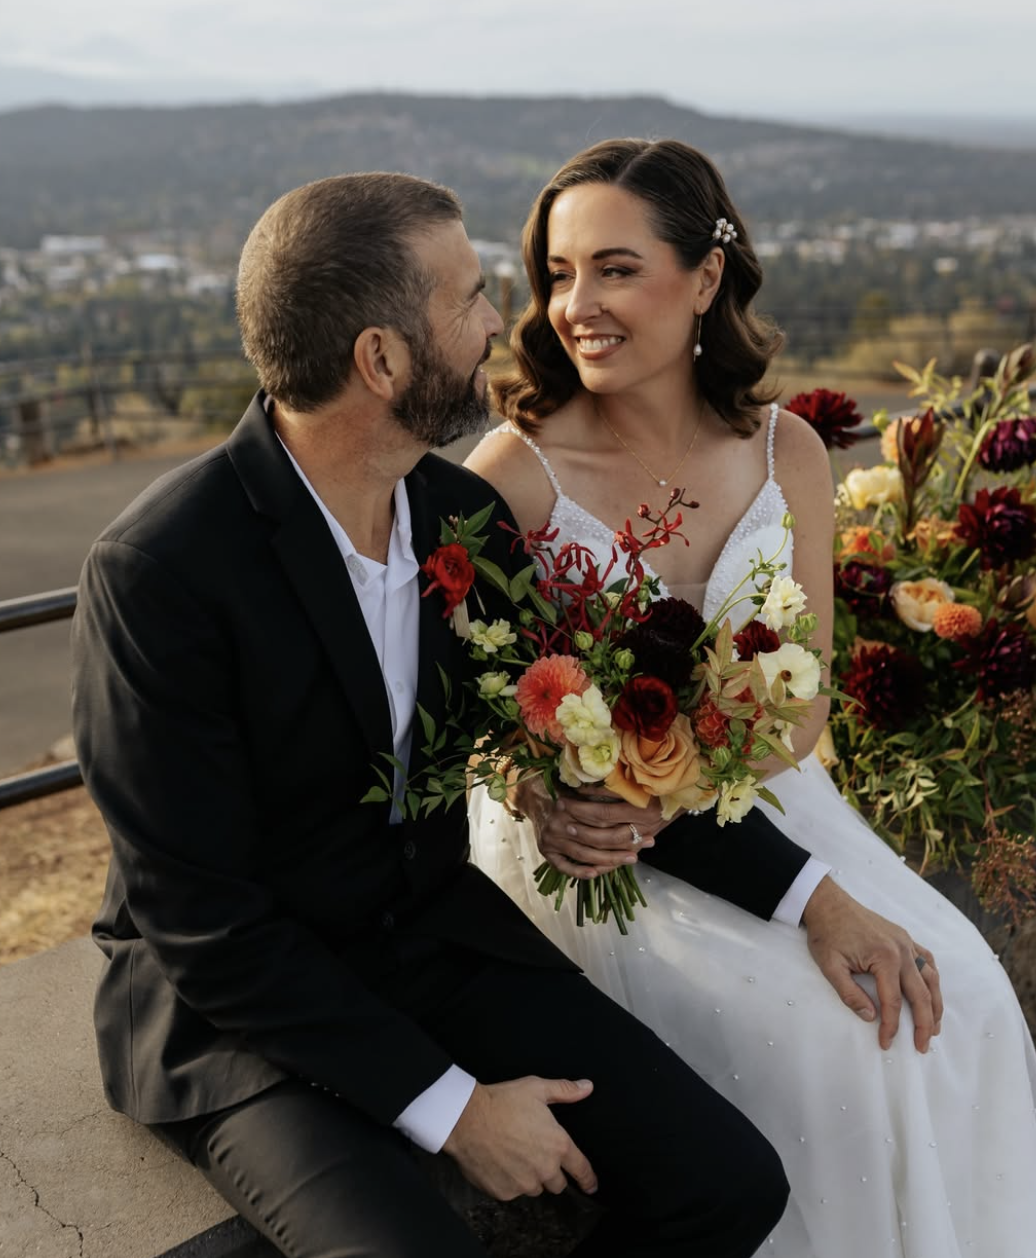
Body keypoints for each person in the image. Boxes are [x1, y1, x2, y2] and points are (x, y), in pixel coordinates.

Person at [71, 170, 809, 1258]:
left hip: (428, 941)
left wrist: (804, 894)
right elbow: (205, 926)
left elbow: (561, 733)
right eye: (468, 301)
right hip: (238, 1017)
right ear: (381, 359)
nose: (499, 325)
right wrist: (454, 1107)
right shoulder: (161, 569)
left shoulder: (458, 511)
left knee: (732, 1183)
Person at [465, 138, 1036, 1258]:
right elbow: (472, 713)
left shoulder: (787, 449)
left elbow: (801, 716)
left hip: (773, 808)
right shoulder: (512, 478)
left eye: (613, 268)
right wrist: (561, 785)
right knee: (837, 1032)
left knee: (971, 997)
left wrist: (706, 771)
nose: (577, 305)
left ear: (704, 279)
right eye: (557, 274)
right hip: (604, 852)